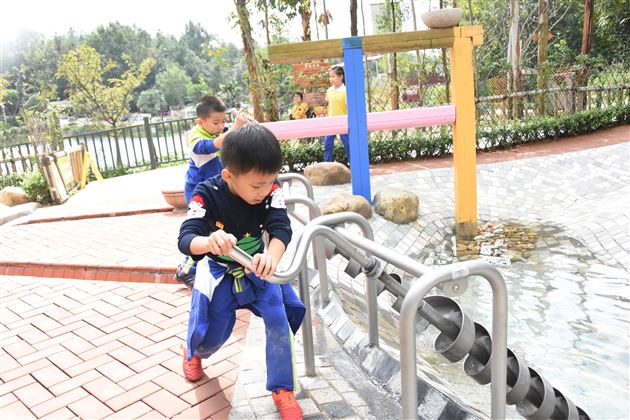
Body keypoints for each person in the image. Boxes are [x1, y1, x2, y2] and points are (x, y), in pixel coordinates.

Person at [178, 124, 305, 420]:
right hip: (220, 272)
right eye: (257, 186)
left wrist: (271, 257)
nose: (265, 191)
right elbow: (186, 238)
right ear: (228, 176)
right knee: (213, 333)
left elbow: (280, 226)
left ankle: (282, 388)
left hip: (258, 271)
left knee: (278, 319)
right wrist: (209, 241)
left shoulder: (270, 188)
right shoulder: (205, 194)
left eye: (270, 182)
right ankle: (195, 353)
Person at [175, 96, 248, 287]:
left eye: (223, 121)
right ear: (201, 122)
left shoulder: (217, 132)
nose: (220, 126)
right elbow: (211, 146)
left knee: (220, 230)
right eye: (216, 122)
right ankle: (186, 269)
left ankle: (223, 265)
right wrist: (236, 127)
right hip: (199, 194)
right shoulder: (195, 138)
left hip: (214, 192)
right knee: (205, 231)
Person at [324, 66, 351, 162]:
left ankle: (353, 165)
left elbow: (349, 108)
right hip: (331, 122)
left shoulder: (346, 91)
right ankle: (327, 166)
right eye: (330, 76)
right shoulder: (329, 90)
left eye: (333, 76)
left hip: (344, 122)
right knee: (328, 145)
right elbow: (329, 105)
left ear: (341, 77)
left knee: (348, 145)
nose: (330, 79)